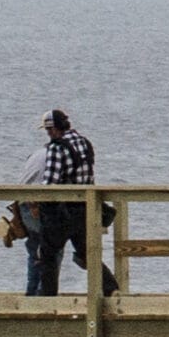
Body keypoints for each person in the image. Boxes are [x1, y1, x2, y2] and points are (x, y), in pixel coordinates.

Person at [16, 108, 100, 297]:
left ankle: (36, 296)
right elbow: (50, 185)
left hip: (31, 203)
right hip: (38, 203)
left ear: (54, 129)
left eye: (48, 130)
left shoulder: (49, 152)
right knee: (51, 250)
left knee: (42, 248)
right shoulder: (67, 148)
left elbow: (44, 183)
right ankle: (41, 297)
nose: (48, 134)